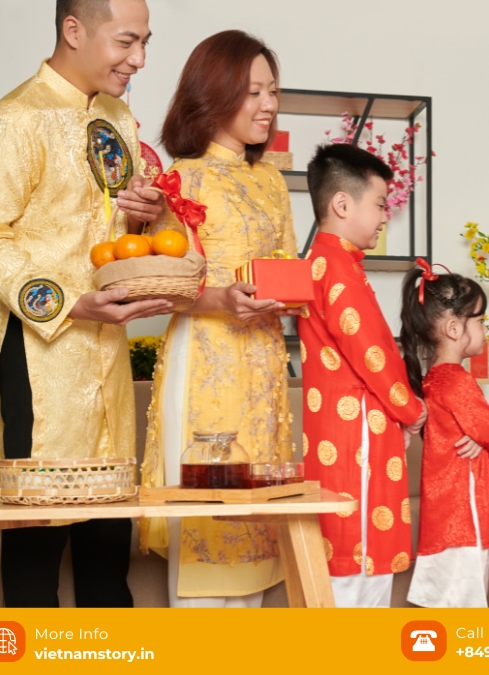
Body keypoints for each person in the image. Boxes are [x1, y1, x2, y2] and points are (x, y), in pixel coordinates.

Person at [0, 0, 167, 608]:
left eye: (145, 42)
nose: (140, 59)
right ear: (73, 30)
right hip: (40, 357)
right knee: (35, 547)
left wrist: (144, 213)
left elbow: (115, 227)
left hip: (108, 354)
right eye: (127, 42)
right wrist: (70, 304)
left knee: (108, 547)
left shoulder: (117, 117)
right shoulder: (15, 119)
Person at [137, 30, 298, 608]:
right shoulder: (180, 179)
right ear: (215, 94)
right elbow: (161, 284)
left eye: (273, 91)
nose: (268, 104)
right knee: (208, 509)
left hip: (262, 361)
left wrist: (290, 294)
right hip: (206, 355)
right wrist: (223, 300)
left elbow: (286, 268)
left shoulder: (273, 181)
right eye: (253, 91)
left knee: (255, 512)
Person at [298, 143, 427, 607]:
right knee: (358, 580)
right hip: (358, 443)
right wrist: (414, 412)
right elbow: (376, 356)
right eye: (379, 204)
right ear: (342, 203)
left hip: (339, 435)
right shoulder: (339, 269)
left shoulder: (323, 262)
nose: (384, 217)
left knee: (342, 578)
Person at [399, 263, 489, 608]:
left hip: (444, 510)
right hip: (465, 513)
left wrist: (479, 437)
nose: (484, 330)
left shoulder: (433, 379)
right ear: (452, 328)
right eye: (479, 321)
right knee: (464, 600)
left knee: (443, 598)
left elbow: (482, 432)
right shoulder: (457, 382)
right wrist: (484, 438)